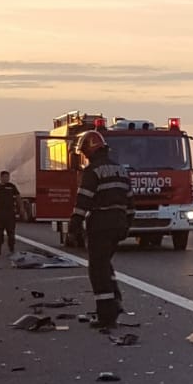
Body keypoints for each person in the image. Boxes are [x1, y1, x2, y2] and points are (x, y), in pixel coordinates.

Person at [69, 131, 133, 329]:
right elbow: (131, 203)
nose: (84, 156)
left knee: (97, 270)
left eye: (84, 152)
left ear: (90, 150)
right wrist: (126, 224)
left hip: (101, 223)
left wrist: (75, 224)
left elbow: (84, 199)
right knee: (105, 264)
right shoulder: (121, 170)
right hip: (119, 223)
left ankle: (106, 314)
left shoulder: (92, 171)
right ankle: (115, 302)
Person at [0, 170, 22, 255]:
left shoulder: (11, 187)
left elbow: (18, 198)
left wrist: (22, 209)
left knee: (11, 232)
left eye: (8, 177)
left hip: (10, 213)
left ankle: (11, 249)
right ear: (1, 178)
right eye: (5, 177)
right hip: (0, 213)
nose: (7, 179)